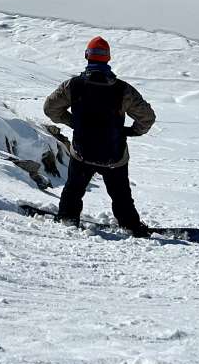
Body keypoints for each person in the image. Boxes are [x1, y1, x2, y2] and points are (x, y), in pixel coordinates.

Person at [43, 36, 156, 237]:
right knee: (121, 195)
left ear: (87, 56)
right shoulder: (123, 90)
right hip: (114, 155)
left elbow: (50, 109)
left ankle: (67, 219)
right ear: (108, 58)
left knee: (73, 189)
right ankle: (131, 226)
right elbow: (147, 117)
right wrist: (130, 131)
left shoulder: (72, 86)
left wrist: (73, 122)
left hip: (82, 153)